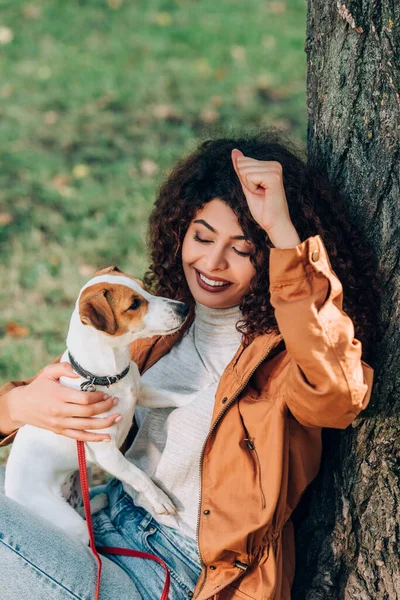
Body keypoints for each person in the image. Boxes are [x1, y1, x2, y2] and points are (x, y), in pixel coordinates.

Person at [0, 130, 377, 600]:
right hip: (99, 526)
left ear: (269, 258)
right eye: (202, 237)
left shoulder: (283, 355)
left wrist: (284, 232)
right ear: (179, 229)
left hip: (173, 576)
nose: (213, 263)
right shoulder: (158, 325)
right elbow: (60, 395)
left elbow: (338, 394)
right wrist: (16, 404)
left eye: (242, 249)